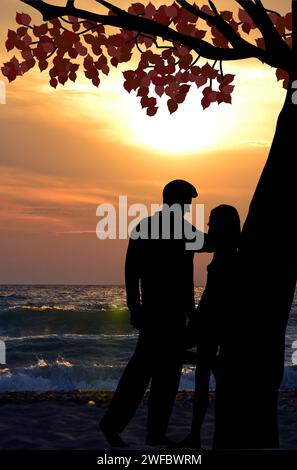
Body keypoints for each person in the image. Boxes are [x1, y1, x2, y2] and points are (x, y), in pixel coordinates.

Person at [99, 180, 208, 447]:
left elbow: (130, 272)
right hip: (162, 313)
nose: (188, 206)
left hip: (164, 313)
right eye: (187, 201)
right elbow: (132, 271)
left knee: (158, 373)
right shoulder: (171, 228)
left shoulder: (148, 227)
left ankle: (143, 431)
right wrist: (135, 306)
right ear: (177, 200)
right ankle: (125, 427)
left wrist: (135, 307)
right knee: (152, 373)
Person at [178, 204, 241, 449]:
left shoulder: (231, 254)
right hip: (207, 318)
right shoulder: (222, 248)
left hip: (216, 322)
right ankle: (194, 435)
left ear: (225, 224)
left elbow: (223, 296)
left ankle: (198, 435)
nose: (209, 225)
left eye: (213, 221)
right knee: (201, 378)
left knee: (200, 372)